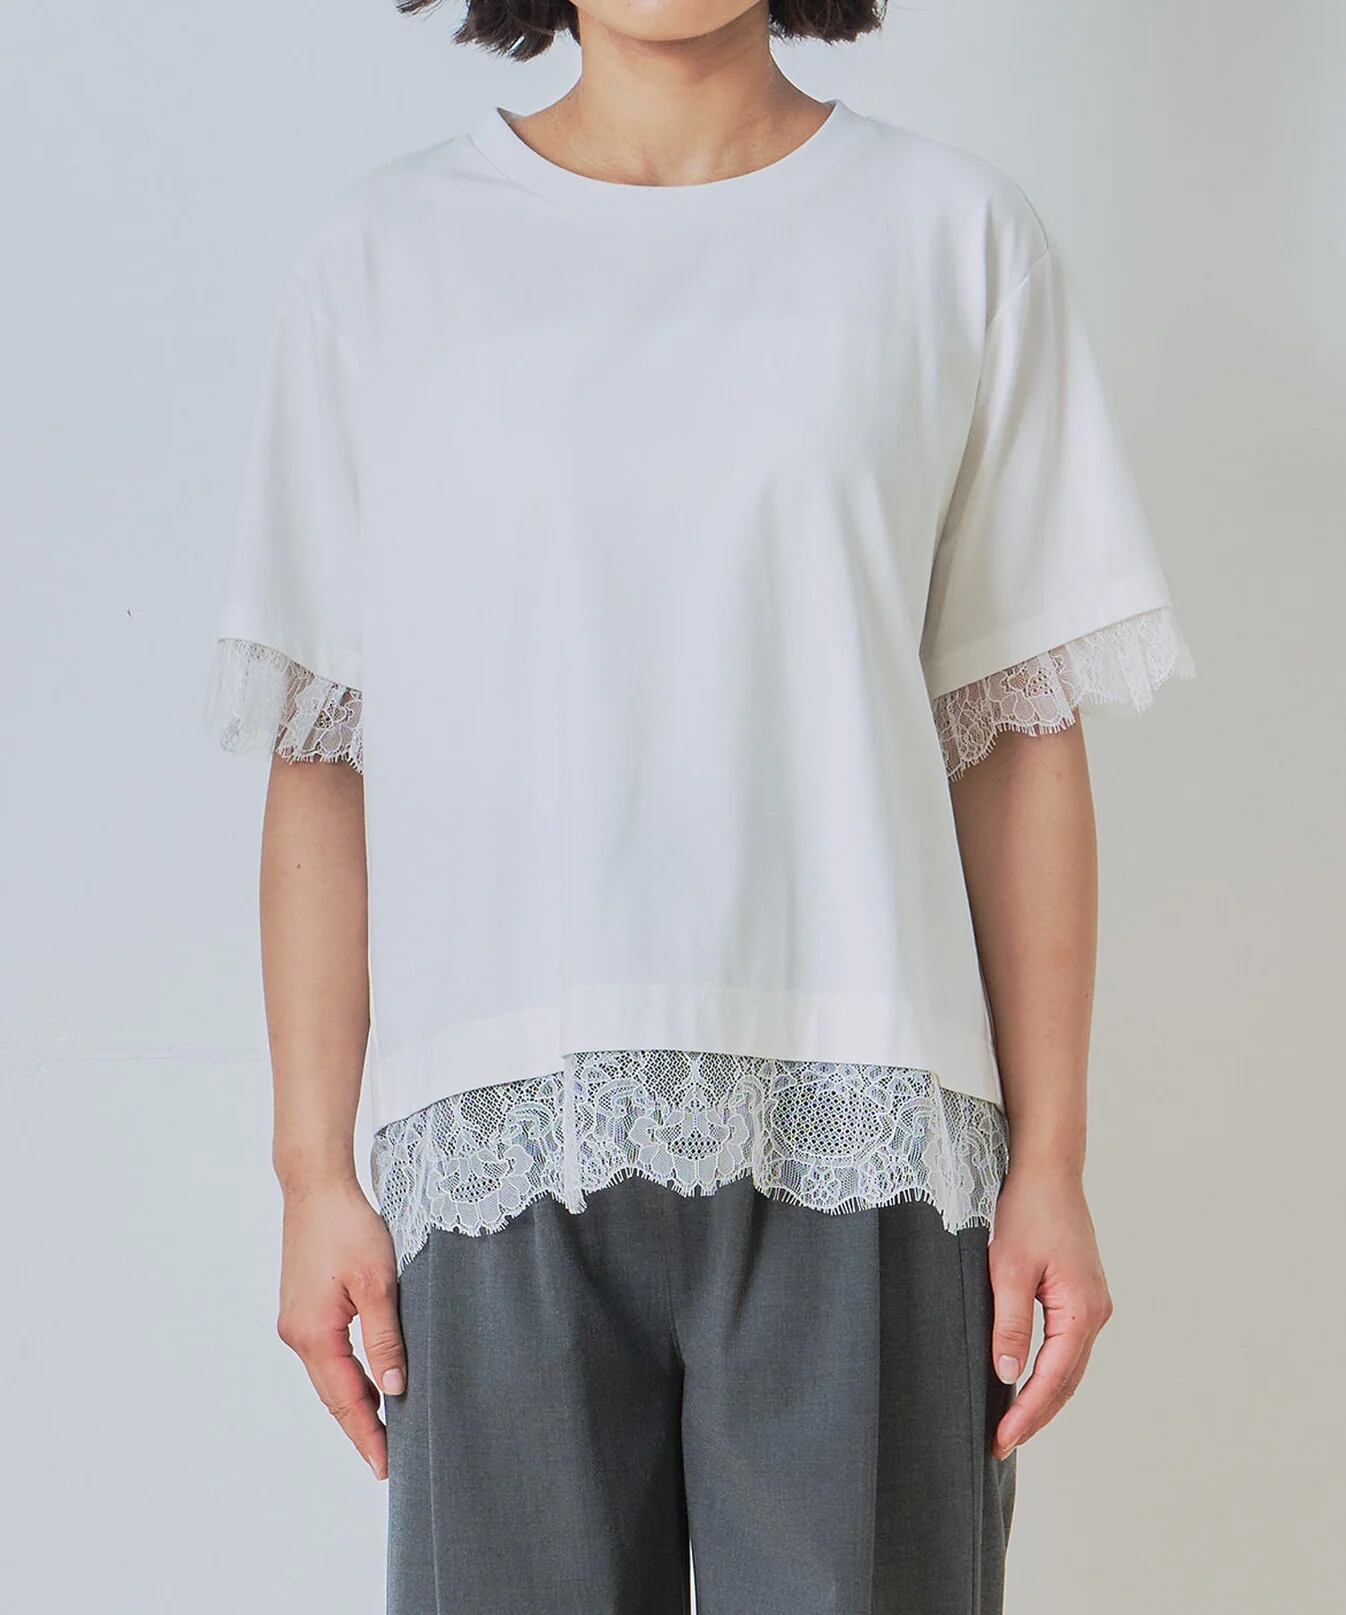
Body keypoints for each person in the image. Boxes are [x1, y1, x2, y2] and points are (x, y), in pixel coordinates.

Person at [205, 1, 1195, 1609]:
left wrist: (1053, 1164)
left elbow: (1016, 734)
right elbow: (325, 744)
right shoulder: (384, 260)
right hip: (496, 1136)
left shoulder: (949, 238)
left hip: (866, 1130)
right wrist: (310, 1174)